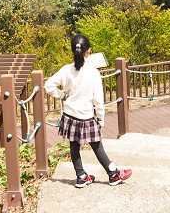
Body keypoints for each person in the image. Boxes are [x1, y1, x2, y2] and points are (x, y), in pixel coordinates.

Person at [44, 34, 133, 188]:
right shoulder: (93, 72)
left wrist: (62, 95)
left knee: (74, 146)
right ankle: (113, 174)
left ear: (73, 51)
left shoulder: (66, 70)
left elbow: (48, 85)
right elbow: (98, 100)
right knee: (97, 145)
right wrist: (101, 119)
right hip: (86, 116)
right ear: (89, 51)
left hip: (70, 115)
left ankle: (81, 176)